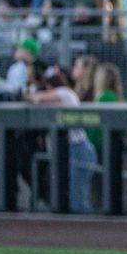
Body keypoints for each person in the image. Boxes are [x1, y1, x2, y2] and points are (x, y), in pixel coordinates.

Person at [28, 66, 96, 214]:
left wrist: (33, 92)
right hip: (66, 150)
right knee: (64, 194)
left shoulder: (65, 92)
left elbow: (36, 98)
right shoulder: (60, 95)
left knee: (78, 196)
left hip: (78, 148)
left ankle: (84, 231)